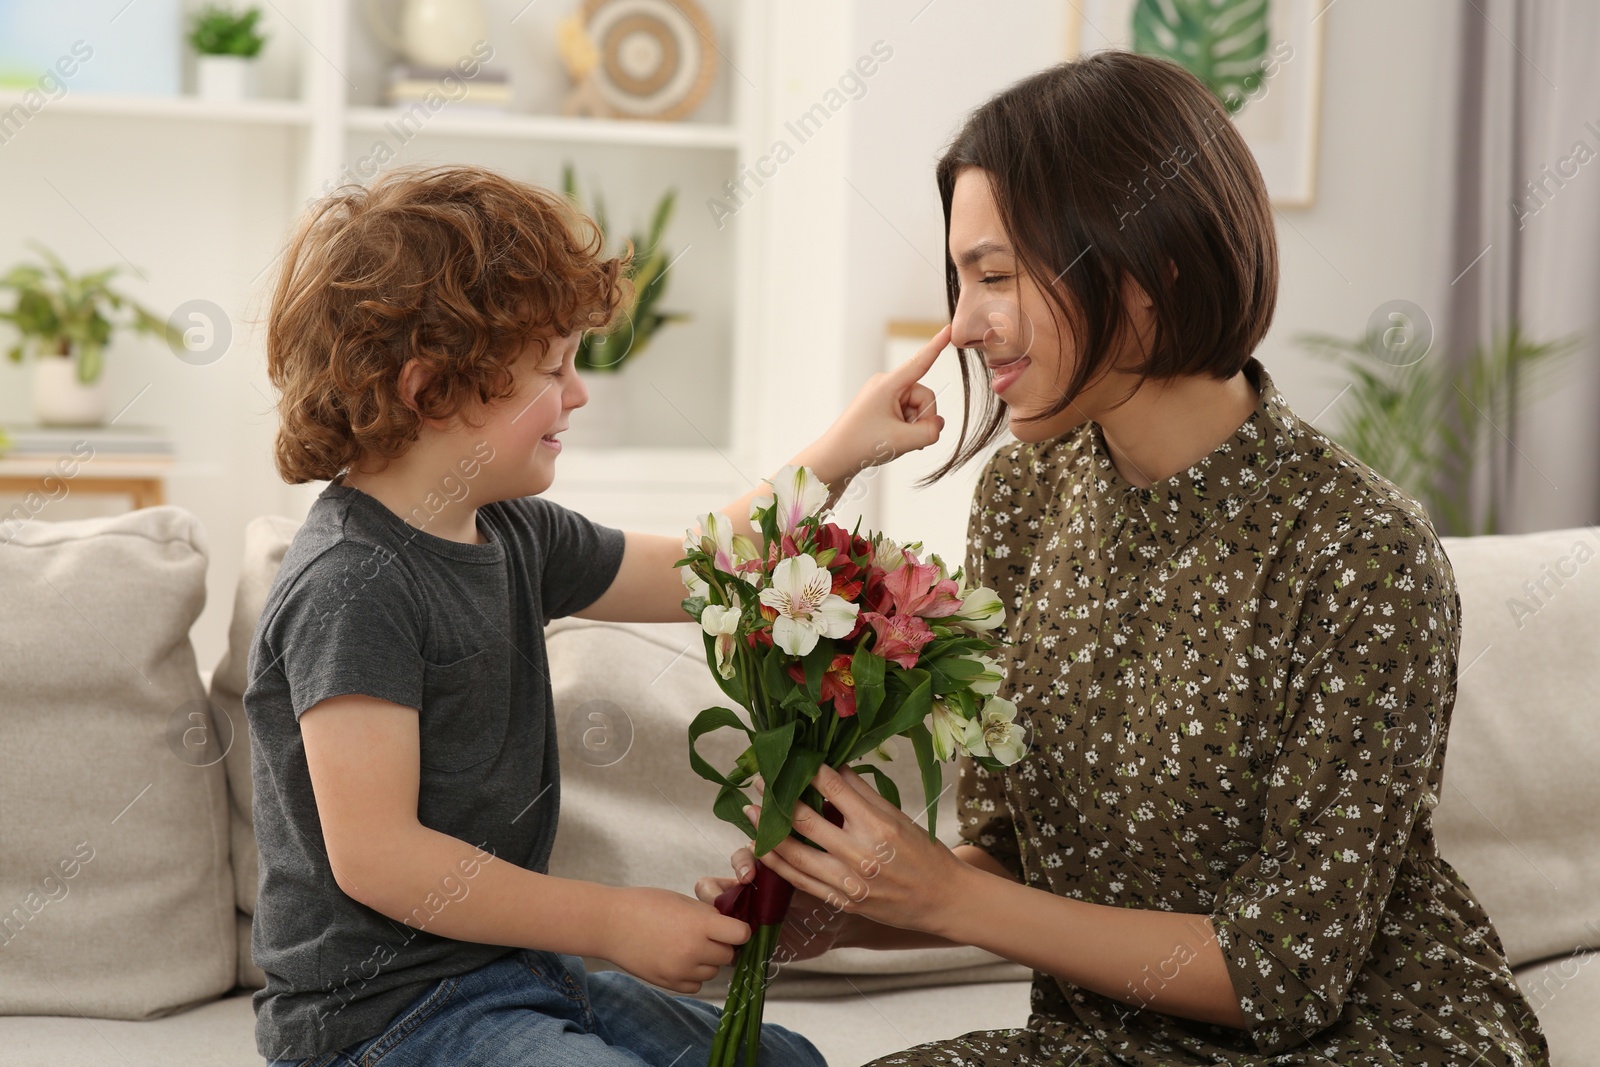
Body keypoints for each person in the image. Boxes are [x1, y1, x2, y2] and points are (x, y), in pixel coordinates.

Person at [697, 52, 1552, 1067]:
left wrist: (946, 891)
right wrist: (847, 903)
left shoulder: (1362, 553)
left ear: (1151, 269)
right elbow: (1011, 860)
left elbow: (1282, 968)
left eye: (997, 275)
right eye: (960, 279)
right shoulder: (1024, 497)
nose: (964, 326)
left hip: (1375, 1040)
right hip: (1105, 1035)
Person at [244, 163, 946, 1066]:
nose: (577, 393)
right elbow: (381, 859)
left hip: (516, 975)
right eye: (552, 367)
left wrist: (848, 447)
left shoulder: (514, 533)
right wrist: (614, 917)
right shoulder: (354, 584)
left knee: (789, 1060)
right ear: (430, 390)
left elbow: (706, 568)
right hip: (379, 1022)